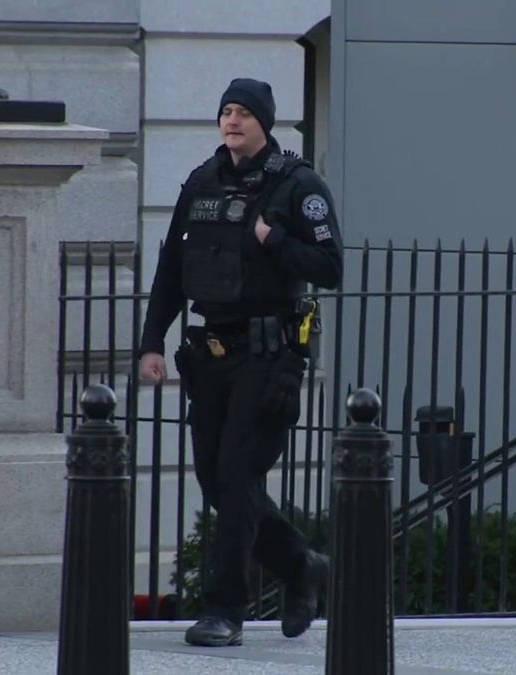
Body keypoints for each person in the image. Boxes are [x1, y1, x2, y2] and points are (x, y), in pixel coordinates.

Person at [136, 77, 344, 647]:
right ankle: (302, 563)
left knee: (235, 475)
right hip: (211, 355)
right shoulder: (201, 182)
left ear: (264, 123)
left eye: (243, 113)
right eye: (226, 111)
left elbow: (330, 267)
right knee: (215, 479)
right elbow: (171, 272)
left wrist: (273, 239)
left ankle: (225, 609)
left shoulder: (299, 186)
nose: (232, 121)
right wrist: (152, 342)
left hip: (269, 354)